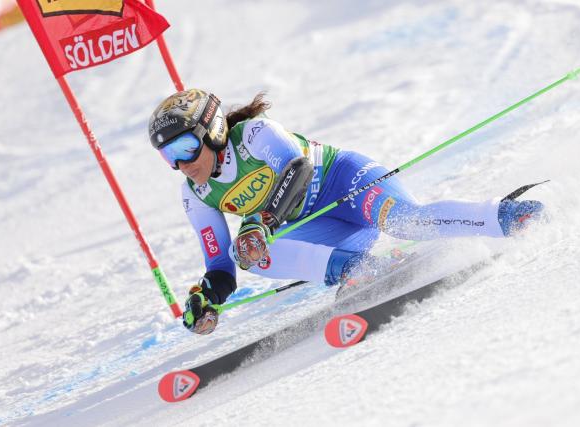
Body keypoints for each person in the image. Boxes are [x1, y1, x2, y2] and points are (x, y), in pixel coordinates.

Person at [148, 89, 544, 334]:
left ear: (213, 132)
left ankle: (506, 217)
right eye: (169, 155)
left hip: (346, 183)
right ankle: (357, 270)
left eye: (186, 147)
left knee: (406, 222)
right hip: (324, 227)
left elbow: (297, 170)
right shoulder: (195, 195)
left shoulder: (253, 134)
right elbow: (220, 264)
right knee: (246, 254)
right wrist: (210, 297)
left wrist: (261, 220)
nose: (182, 163)